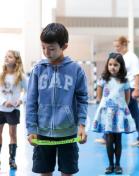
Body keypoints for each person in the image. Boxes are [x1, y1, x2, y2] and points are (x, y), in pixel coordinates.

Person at [26, 23, 88, 176]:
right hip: (43, 132)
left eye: (52, 48)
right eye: (43, 48)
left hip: (68, 131)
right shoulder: (38, 70)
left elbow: (82, 99)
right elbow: (31, 101)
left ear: (64, 46)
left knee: (67, 172)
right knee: (44, 171)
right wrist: (31, 129)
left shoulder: (76, 70)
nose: (47, 52)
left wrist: (81, 125)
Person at [92, 53, 136, 174]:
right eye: (110, 64)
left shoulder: (124, 81)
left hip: (119, 113)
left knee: (118, 140)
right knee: (109, 140)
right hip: (107, 113)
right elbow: (100, 95)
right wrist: (104, 106)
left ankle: (118, 165)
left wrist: (121, 108)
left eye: (115, 65)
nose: (112, 67)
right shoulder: (103, 80)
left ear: (121, 66)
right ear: (107, 65)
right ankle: (110, 165)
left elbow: (127, 98)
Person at [113, 36, 139, 146]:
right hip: (123, 88)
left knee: (121, 111)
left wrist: (136, 90)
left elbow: (137, 74)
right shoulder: (121, 57)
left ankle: (108, 136)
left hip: (131, 88)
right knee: (132, 113)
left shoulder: (132, 57)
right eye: (115, 46)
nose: (116, 48)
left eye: (118, 46)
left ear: (124, 45)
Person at [0, 50, 27, 169]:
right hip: (1, 109)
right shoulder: (1, 75)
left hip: (13, 111)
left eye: (10, 57)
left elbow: (28, 91)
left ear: (16, 60)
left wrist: (20, 100)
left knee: (12, 134)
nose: (6, 58)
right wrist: (4, 101)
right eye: (6, 56)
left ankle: (12, 159)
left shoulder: (21, 76)